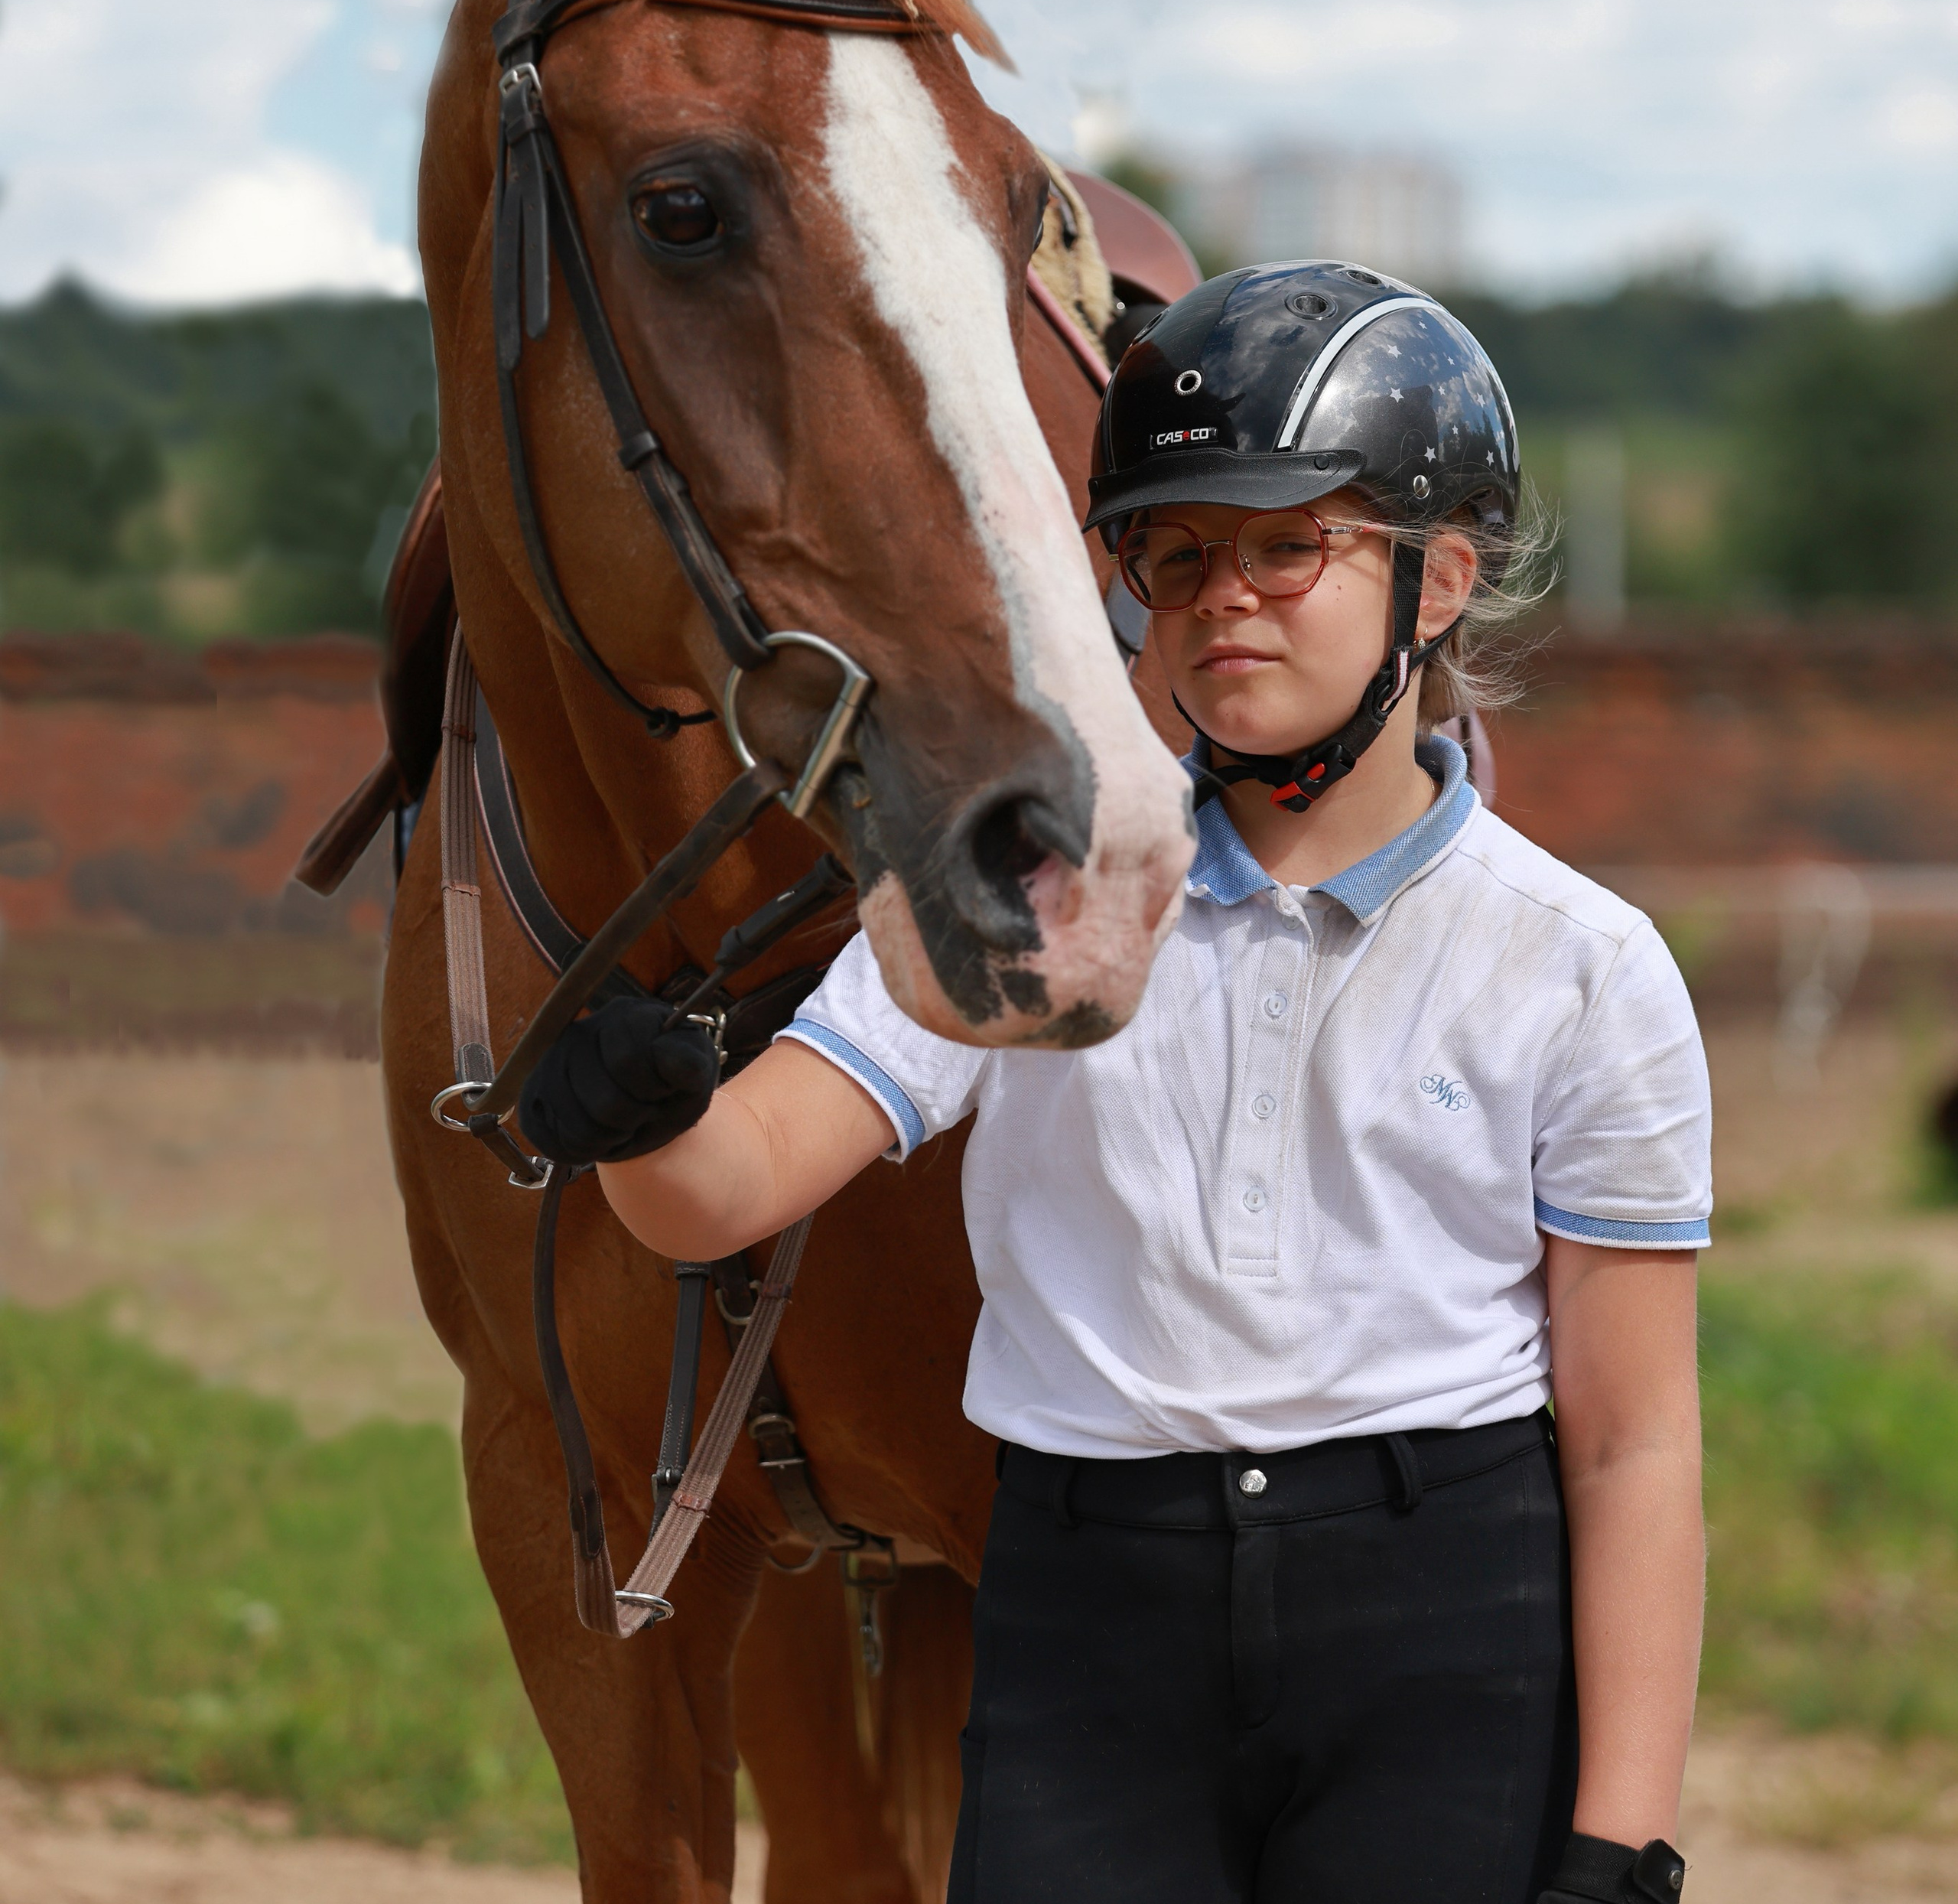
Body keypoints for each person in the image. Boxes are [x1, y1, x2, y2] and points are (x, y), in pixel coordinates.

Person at [519, 260, 1711, 1904]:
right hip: (1088, 1619)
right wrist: (641, 1123)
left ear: (1436, 579)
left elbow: (1632, 1443)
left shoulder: (1581, 964)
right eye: (1175, 555)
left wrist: (1620, 1835)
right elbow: (732, 1180)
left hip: (1441, 1626)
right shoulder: (1021, 903)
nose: (1221, 596)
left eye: (1287, 544)